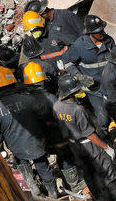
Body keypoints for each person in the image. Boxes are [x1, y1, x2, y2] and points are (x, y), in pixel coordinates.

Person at [0, 67, 57, 198]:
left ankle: (34, 191)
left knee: (22, 163)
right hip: (36, 142)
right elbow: (43, 118)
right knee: (42, 165)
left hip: (16, 147)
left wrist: (1, 149)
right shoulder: (29, 99)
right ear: (14, 83)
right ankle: (53, 194)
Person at [53, 75, 116, 201]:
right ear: (72, 92)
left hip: (73, 144)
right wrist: (106, 147)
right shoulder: (78, 109)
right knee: (107, 171)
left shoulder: (57, 106)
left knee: (87, 171)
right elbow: (89, 134)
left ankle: (99, 199)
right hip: (88, 144)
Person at [23, 62, 86, 193]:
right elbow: (60, 116)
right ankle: (75, 184)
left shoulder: (25, 99)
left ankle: (59, 185)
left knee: (52, 159)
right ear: (42, 80)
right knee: (65, 157)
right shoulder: (49, 98)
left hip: (39, 137)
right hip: (55, 134)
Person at [63, 14, 114, 133]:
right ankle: (106, 135)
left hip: (109, 83)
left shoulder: (109, 41)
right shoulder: (79, 46)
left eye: (102, 29)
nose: (102, 33)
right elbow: (67, 62)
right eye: (98, 31)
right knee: (102, 116)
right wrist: (79, 76)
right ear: (90, 33)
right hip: (93, 88)